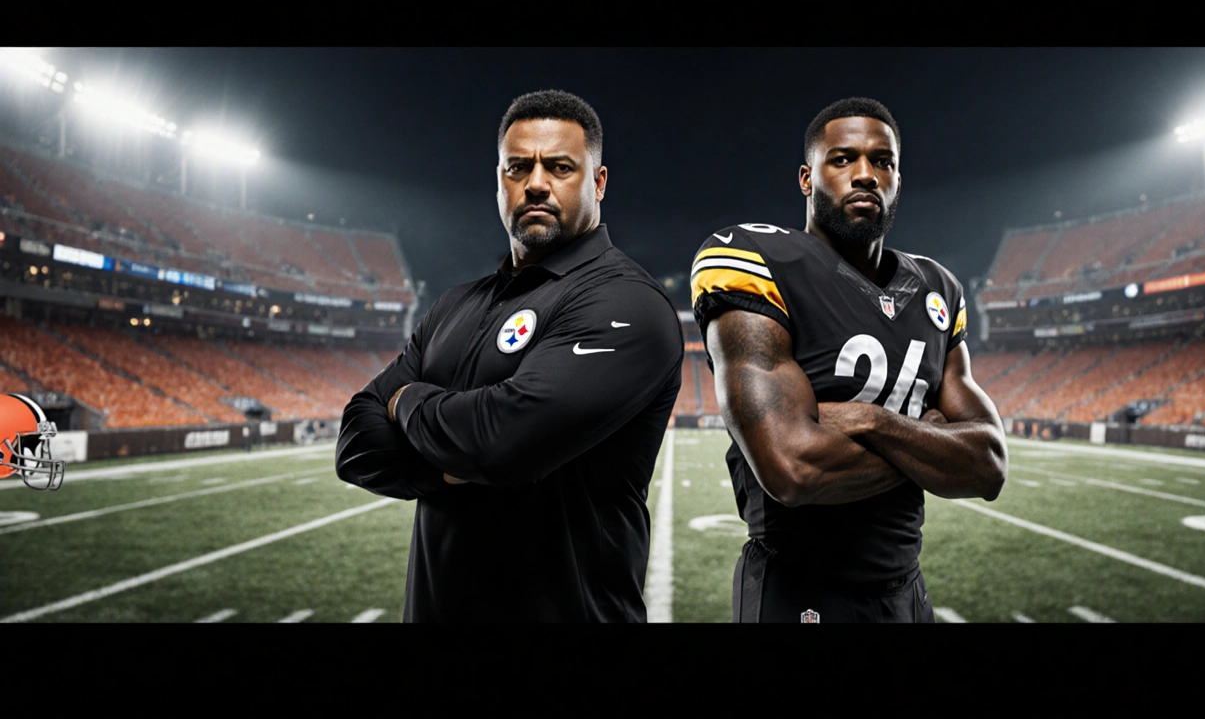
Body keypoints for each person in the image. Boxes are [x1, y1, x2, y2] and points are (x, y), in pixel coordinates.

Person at [336, 90, 683, 622]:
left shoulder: (628, 302)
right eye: (518, 167)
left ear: (599, 181)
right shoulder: (454, 304)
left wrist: (406, 400)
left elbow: (501, 442)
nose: (536, 183)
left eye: (560, 167)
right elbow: (356, 443)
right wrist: (451, 468)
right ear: (500, 180)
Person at [690, 97, 1007, 623]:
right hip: (799, 591)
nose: (865, 175)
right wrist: (926, 441)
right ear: (806, 178)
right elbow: (793, 468)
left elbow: (989, 465)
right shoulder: (756, 261)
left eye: (882, 161)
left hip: (907, 589)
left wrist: (871, 420)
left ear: (898, 180)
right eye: (842, 159)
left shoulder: (937, 289)